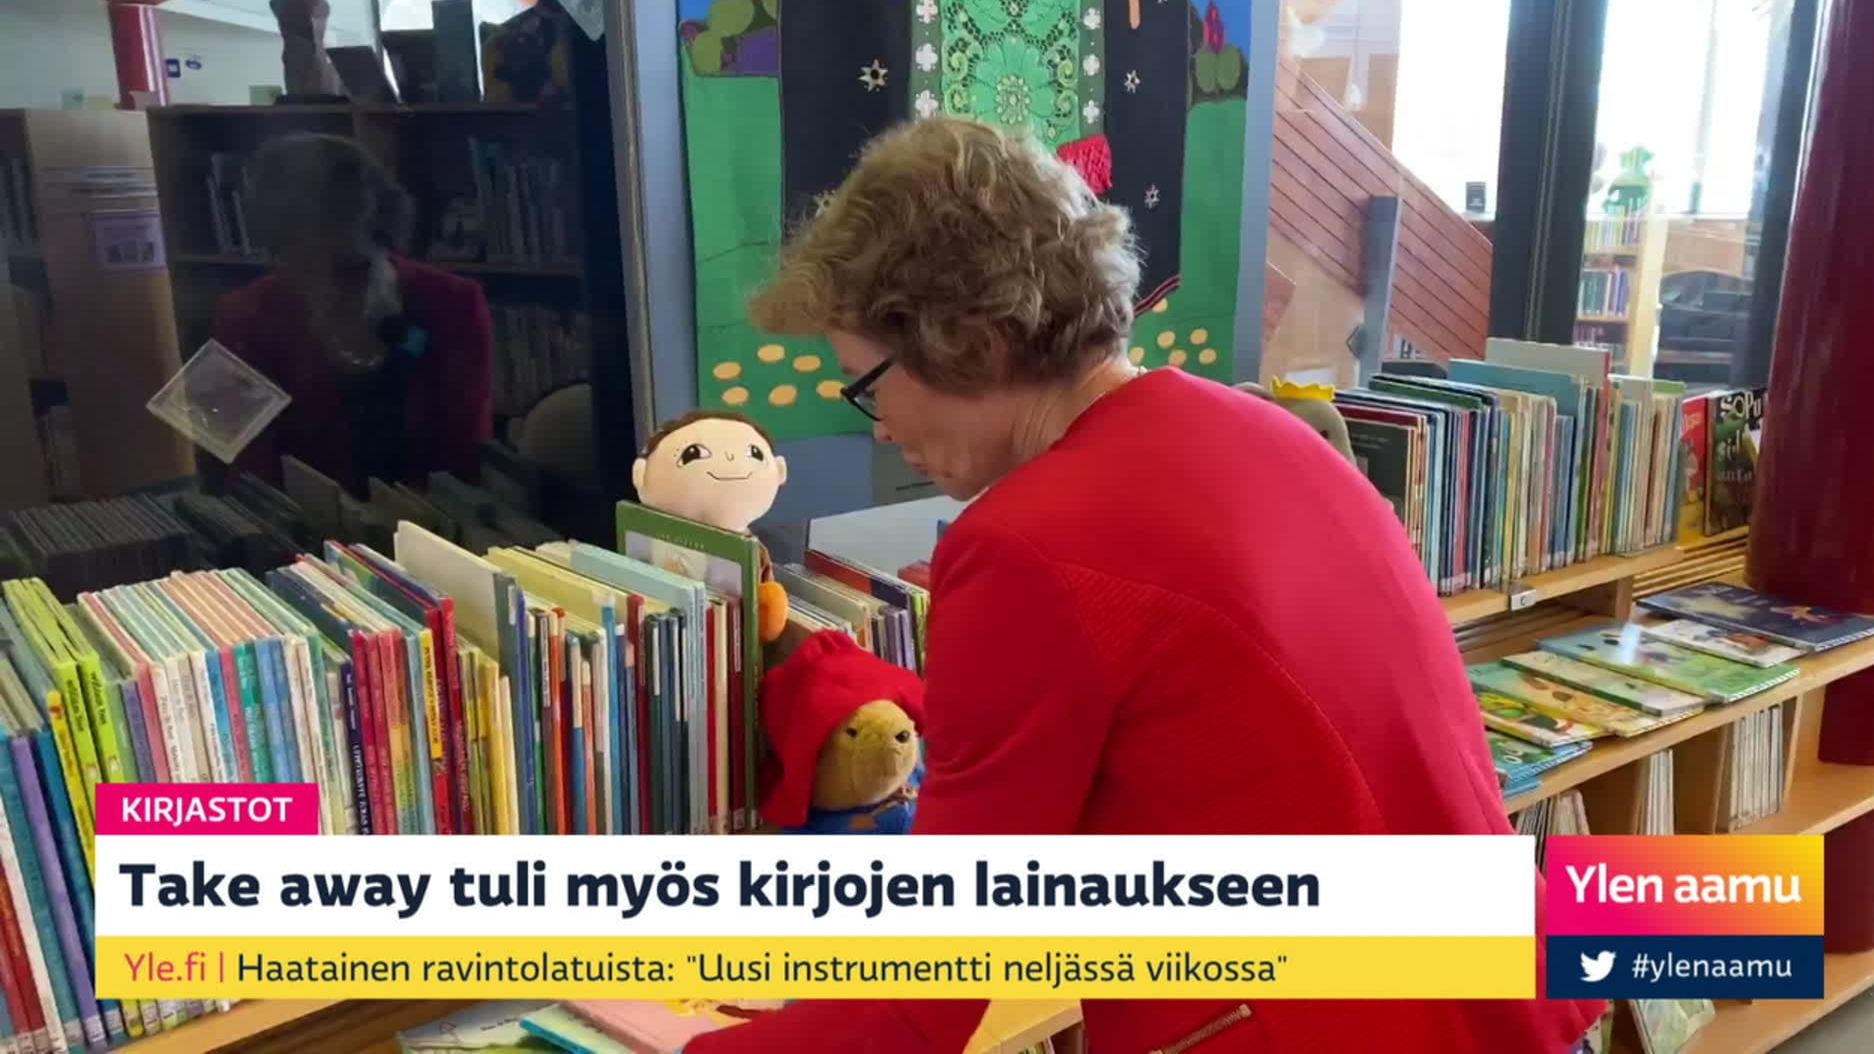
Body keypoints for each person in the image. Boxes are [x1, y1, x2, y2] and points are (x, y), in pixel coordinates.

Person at [682, 118, 1604, 1052]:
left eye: (869, 384)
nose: (878, 426)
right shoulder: (1267, 432)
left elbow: (936, 977)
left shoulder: (1024, 549)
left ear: (976, 342)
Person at [212, 132, 492, 494]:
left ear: (377, 214)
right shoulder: (243, 317)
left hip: (434, 516)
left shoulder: (453, 302)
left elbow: (466, 455)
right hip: (299, 522)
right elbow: (248, 473)